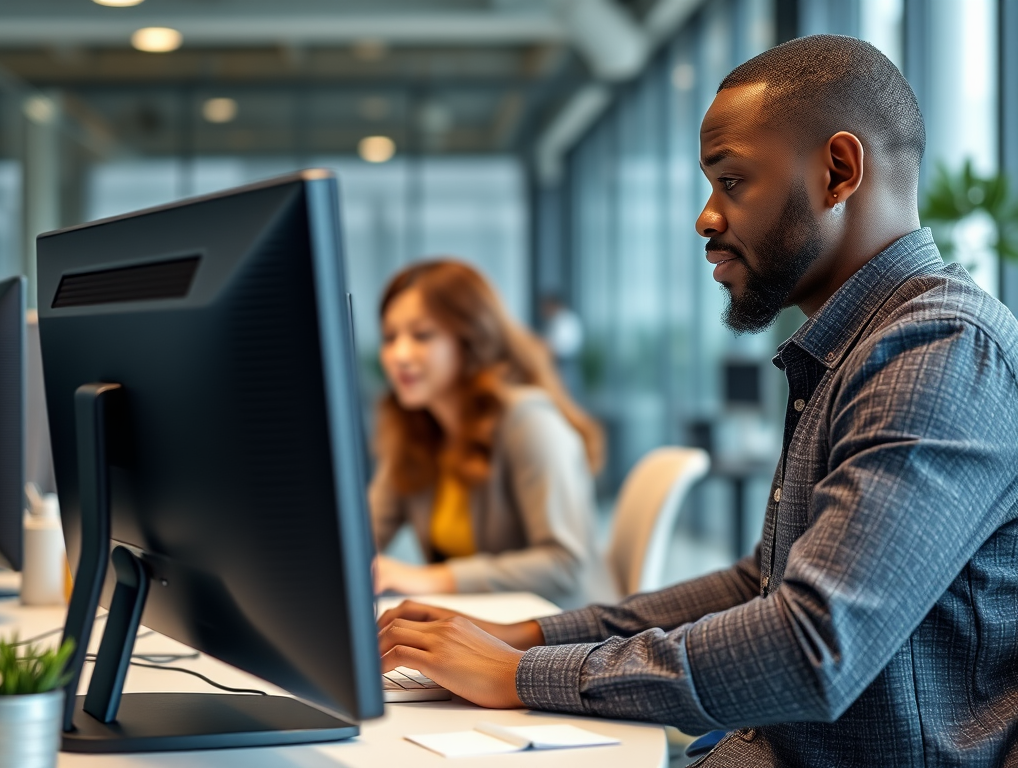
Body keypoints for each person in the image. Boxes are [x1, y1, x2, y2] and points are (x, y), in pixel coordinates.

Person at [375, 35, 1018, 766]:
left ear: (838, 172)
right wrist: (529, 636)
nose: (706, 218)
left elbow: (813, 646)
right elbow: (760, 583)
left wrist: (520, 675)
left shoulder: (939, 350)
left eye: (733, 182)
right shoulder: (854, 347)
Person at [369, 259, 616, 610]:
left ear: (471, 338)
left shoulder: (528, 422)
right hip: (478, 630)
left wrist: (431, 579)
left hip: (561, 641)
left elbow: (565, 565)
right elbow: (361, 537)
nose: (399, 355)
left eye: (422, 335)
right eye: (389, 338)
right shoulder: (415, 428)